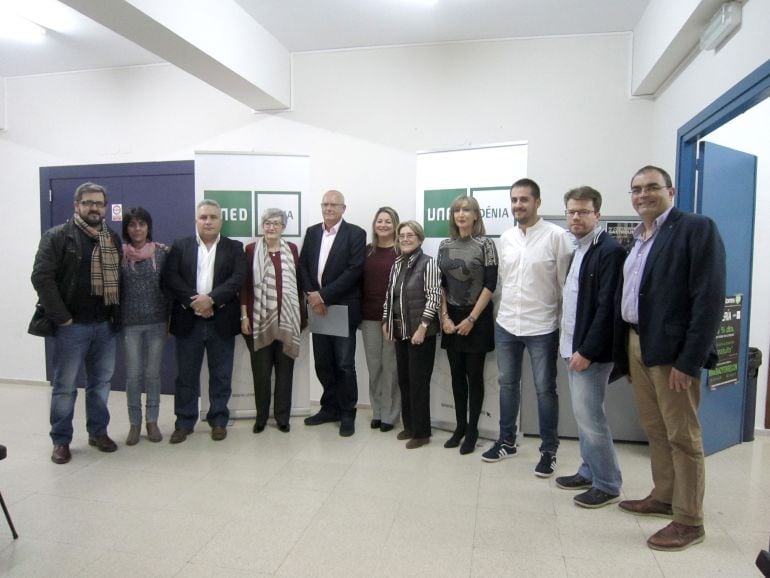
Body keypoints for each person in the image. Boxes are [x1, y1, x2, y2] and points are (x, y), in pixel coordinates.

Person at [615, 166, 725, 551]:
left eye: (651, 187)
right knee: (656, 429)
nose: (642, 194)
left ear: (671, 191)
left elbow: (708, 299)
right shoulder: (639, 237)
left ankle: (690, 520)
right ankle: (664, 496)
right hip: (638, 345)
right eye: (636, 189)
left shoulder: (695, 228)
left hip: (673, 353)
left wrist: (689, 360)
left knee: (683, 435)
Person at [481, 178, 573, 477]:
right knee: (507, 385)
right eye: (514, 200)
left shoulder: (557, 237)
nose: (518, 205)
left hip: (541, 327)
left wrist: (561, 329)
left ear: (537, 202)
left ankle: (549, 450)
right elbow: (504, 282)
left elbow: (564, 287)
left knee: (545, 390)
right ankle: (507, 441)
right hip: (507, 323)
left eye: (524, 199)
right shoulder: (506, 237)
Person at [31, 182, 121, 464]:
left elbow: (118, 279)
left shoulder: (111, 238)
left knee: (100, 383)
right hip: (72, 327)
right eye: (88, 203)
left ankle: (98, 432)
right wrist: (63, 317)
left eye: (99, 203)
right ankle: (61, 440)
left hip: (104, 325)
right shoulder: (57, 236)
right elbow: (41, 278)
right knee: (65, 386)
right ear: (76, 206)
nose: (94, 208)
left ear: (105, 207)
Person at [554, 187, 624, 508]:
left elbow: (607, 308)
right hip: (572, 346)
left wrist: (588, 350)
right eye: (571, 211)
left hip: (589, 352)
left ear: (598, 214)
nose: (576, 217)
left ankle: (607, 483)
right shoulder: (580, 248)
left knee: (591, 417)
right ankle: (588, 469)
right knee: (583, 416)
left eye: (583, 211)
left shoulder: (608, 250)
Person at [163, 199, 246, 443]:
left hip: (221, 319)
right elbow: (172, 278)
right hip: (189, 321)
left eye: (212, 217)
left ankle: (219, 419)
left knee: (221, 375)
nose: (208, 221)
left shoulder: (234, 247)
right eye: (203, 217)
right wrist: (195, 302)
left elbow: (237, 278)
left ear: (221, 221)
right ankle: (184, 422)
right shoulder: (181, 246)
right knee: (186, 376)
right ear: (196, 221)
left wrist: (211, 300)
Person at [299, 190, 366, 437]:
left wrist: (323, 295)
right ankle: (329, 408)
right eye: (325, 204)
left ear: (343, 208)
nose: (328, 208)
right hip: (318, 308)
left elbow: (354, 271)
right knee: (323, 362)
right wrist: (311, 294)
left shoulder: (356, 234)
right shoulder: (313, 232)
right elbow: (303, 265)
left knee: (345, 364)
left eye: (333, 204)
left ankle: (348, 413)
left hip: (341, 307)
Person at [437, 195, 498, 455]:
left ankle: (472, 430)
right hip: (451, 318)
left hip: (477, 320)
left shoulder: (486, 244)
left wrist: (471, 319)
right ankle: (459, 427)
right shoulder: (444, 245)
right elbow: (440, 284)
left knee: (474, 376)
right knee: (456, 376)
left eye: (467, 210)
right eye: (457, 210)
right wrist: (445, 318)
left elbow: (490, 285)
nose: (461, 214)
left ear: (476, 215)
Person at [240, 209, 304, 434]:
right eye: (267, 223)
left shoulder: (292, 250)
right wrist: (244, 315)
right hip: (259, 321)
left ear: (283, 228)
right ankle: (261, 417)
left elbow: (298, 286)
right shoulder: (250, 250)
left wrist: (300, 318)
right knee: (261, 372)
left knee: (285, 372)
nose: (271, 227)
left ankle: (282, 417)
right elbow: (245, 285)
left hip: (287, 319)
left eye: (276, 223)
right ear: (262, 226)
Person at [382, 221, 441, 449]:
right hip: (401, 331)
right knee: (405, 380)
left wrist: (423, 327)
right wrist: (386, 321)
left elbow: (434, 297)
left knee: (418, 383)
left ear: (419, 238)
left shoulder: (429, 263)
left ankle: (422, 432)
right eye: (402, 235)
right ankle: (409, 426)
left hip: (420, 334)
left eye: (410, 235)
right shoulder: (397, 264)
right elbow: (390, 296)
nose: (405, 238)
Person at [120, 207, 169, 445]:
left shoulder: (161, 253)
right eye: (132, 225)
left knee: (152, 375)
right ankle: (134, 423)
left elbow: (169, 289)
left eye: (142, 224)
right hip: (130, 324)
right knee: (133, 376)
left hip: (157, 323)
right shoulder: (119, 255)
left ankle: (152, 421)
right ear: (126, 228)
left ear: (148, 227)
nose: (137, 229)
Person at [361, 207, 401, 433]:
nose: (383, 225)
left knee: (391, 368)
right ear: (374, 224)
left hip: (393, 318)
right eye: (379, 221)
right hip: (369, 317)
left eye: (388, 221)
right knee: (374, 366)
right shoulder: (367, 251)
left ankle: (390, 413)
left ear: (395, 224)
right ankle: (376, 411)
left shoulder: (401, 251)